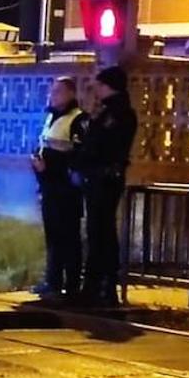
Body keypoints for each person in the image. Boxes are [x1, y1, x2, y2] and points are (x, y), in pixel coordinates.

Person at [76, 66, 138, 307]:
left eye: (100, 86)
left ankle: (101, 285)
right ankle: (99, 284)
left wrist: (83, 161)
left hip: (104, 178)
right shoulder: (111, 111)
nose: (97, 91)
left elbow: (99, 145)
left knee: (101, 232)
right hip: (102, 177)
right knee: (99, 231)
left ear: (109, 86)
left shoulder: (117, 113)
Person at [29, 77, 87, 300]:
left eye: (59, 91)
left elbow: (77, 156)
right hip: (49, 187)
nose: (54, 95)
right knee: (53, 236)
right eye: (53, 91)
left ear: (71, 93)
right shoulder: (52, 117)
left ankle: (71, 285)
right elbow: (47, 145)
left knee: (69, 237)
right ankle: (52, 281)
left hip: (66, 190)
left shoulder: (78, 119)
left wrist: (51, 165)